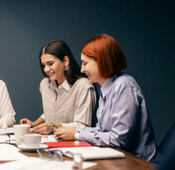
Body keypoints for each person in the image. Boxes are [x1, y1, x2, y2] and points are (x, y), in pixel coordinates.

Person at [55, 34, 159, 162]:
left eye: (85, 63)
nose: (82, 69)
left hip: (140, 164)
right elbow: (101, 130)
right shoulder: (106, 88)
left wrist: (77, 135)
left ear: (102, 60)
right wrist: (73, 130)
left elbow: (119, 139)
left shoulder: (123, 86)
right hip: (121, 160)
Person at [20, 40, 96, 134]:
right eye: (44, 65)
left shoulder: (83, 86)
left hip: (73, 145)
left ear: (65, 61)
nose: (46, 69)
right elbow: (52, 111)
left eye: (50, 63)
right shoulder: (44, 85)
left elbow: (82, 126)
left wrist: (53, 127)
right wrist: (34, 123)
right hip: (48, 141)